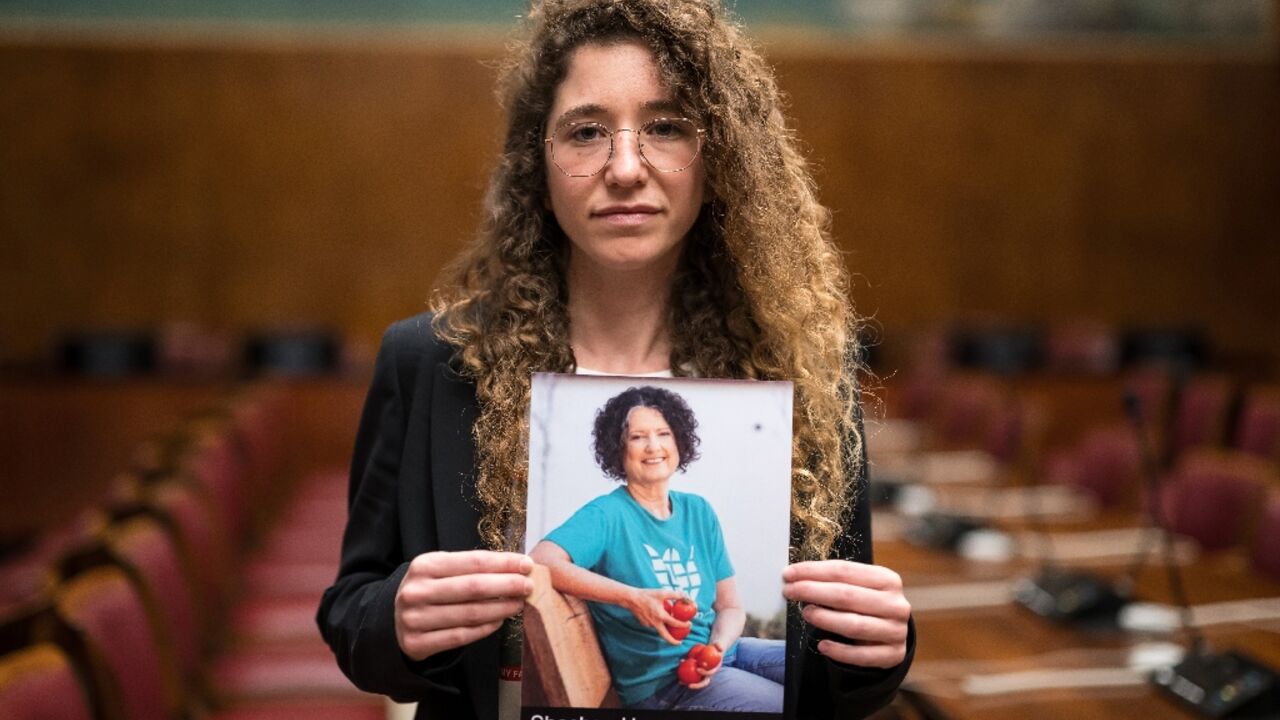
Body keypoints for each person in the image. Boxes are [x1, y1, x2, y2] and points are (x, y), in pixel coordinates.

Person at [317, 0, 915, 718]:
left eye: (665, 127)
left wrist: (880, 650)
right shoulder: (431, 363)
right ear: (538, 159)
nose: (625, 167)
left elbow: (831, 680)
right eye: (586, 131)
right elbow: (352, 619)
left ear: (720, 153)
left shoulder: (800, 368)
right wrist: (397, 619)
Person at [530, 385, 785, 711]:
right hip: (666, 686)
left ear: (678, 440)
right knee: (781, 704)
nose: (653, 446)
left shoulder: (699, 511)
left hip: (725, 655)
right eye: (637, 437)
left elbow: (731, 607)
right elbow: (542, 560)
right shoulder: (607, 514)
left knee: (813, 667)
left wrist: (717, 648)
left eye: (663, 433)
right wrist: (633, 598)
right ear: (618, 448)